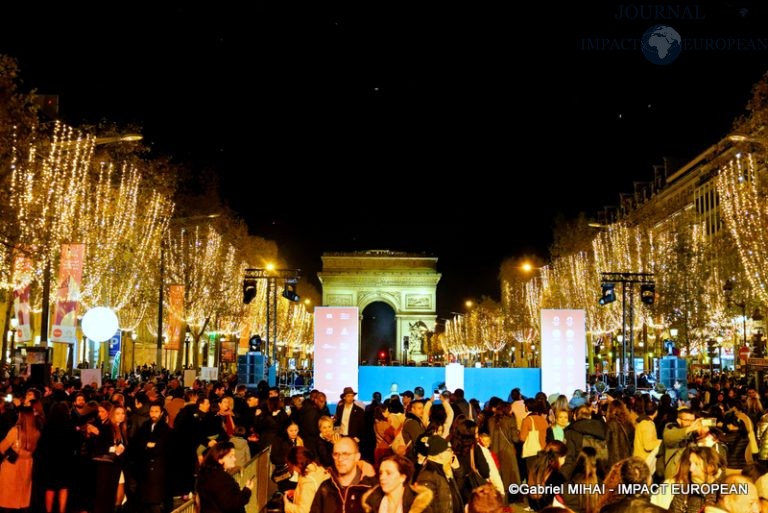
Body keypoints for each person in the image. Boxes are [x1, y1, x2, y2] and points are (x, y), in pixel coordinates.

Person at [309, 437, 376, 513]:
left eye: (345, 454)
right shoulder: (326, 487)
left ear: (357, 457)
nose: (340, 459)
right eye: (336, 454)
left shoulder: (370, 488)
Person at [361, 455, 433, 513]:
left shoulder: (418, 505)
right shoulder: (371, 501)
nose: (382, 477)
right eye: (380, 473)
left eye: (389, 473)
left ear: (402, 477)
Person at [196, 442, 254, 513]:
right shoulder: (221, 478)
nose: (234, 459)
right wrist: (247, 491)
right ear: (220, 459)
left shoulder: (205, 474)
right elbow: (231, 505)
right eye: (231, 456)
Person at [283, 446, 330, 513]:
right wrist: (296, 493)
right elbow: (313, 494)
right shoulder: (319, 468)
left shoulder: (308, 481)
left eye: (293, 466)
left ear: (297, 464)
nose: (294, 470)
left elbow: (304, 511)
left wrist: (287, 505)